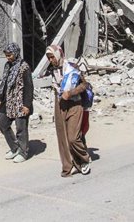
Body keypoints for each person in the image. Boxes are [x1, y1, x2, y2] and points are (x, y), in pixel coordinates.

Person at [43, 44, 91, 177]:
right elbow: (56, 88)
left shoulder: (72, 68)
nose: (51, 60)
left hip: (75, 104)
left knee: (72, 138)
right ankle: (68, 166)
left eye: (52, 56)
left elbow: (84, 85)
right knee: (62, 137)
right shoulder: (53, 70)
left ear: (58, 54)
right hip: (60, 105)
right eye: (49, 58)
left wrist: (71, 93)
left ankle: (84, 159)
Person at [0, 43, 34, 163]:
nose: (8, 57)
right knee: (2, 124)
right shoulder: (8, 66)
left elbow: (29, 87)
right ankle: (14, 148)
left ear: (16, 53)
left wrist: (27, 105)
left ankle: (23, 152)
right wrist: (0, 98)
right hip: (8, 102)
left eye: (10, 55)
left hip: (20, 103)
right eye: (6, 55)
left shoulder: (24, 67)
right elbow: (5, 83)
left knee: (21, 128)